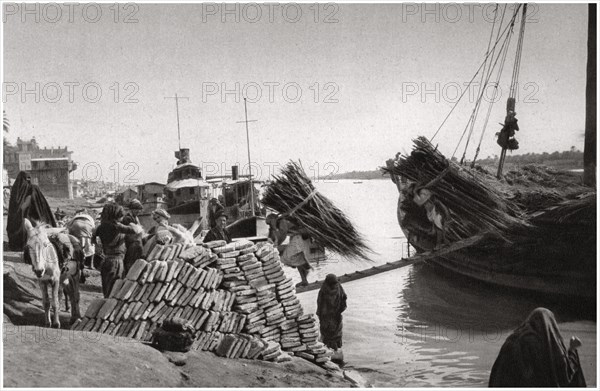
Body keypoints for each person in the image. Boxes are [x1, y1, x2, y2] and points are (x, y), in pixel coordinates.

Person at [489, 307, 586, 387]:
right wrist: (572, 349)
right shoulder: (550, 346)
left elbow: (497, 374)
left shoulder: (512, 340)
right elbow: (565, 375)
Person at [93, 203, 141, 298]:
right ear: (116, 215)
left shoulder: (101, 226)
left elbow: (94, 238)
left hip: (106, 260)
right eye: (121, 215)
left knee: (106, 289)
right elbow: (137, 230)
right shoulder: (117, 226)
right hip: (116, 262)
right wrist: (132, 223)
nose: (122, 218)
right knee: (114, 290)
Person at [7, 171, 57, 250]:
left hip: (29, 216)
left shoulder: (19, 188)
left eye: (28, 178)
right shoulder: (31, 188)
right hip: (32, 217)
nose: (27, 181)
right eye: (26, 179)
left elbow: (19, 206)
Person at [268, 214, 313, 287]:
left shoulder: (282, 222)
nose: (270, 225)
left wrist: (276, 245)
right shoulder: (277, 225)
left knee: (287, 257)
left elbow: (283, 235)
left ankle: (306, 267)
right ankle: (304, 280)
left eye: (270, 222)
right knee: (296, 260)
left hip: (301, 236)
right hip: (296, 236)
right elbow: (274, 236)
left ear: (273, 220)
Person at [316, 274, 348, 353]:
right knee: (336, 333)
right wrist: (339, 309)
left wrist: (320, 314)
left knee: (327, 334)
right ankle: (337, 351)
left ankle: (326, 354)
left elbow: (320, 303)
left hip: (325, 317)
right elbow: (344, 299)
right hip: (336, 316)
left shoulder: (323, 289)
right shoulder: (339, 287)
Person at [122, 199, 144, 276]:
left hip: (137, 242)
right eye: (136, 210)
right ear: (131, 209)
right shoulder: (127, 218)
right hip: (131, 242)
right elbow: (137, 229)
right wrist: (139, 228)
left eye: (139, 210)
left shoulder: (135, 218)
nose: (138, 212)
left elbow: (139, 229)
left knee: (136, 261)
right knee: (129, 262)